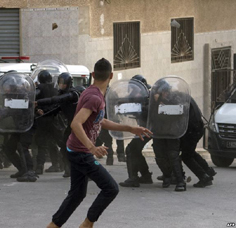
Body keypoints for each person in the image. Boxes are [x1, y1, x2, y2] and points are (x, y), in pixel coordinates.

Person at [47, 58, 151, 228]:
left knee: (77, 194)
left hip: (75, 150)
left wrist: (131, 128)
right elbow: (76, 123)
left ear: (93, 74)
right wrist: (92, 148)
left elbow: (100, 121)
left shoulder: (92, 93)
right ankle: (87, 224)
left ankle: (54, 225)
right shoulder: (94, 97)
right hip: (81, 153)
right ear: (111, 75)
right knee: (110, 188)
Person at [119, 75, 153, 187]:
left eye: (135, 90)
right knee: (135, 150)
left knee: (131, 149)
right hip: (144, 128)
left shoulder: (147, 99)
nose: (133, 92)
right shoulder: (140, 98)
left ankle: (133, 178)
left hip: (148, 128)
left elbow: (146, 112)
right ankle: (146, 175)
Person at [180, 97, 217, 187]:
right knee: (190, 152)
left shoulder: (178, 100)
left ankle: (203, 177)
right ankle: (208, 171)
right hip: (197, 129)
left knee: (186, 156)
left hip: (191, 131)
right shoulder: (185, 97)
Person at [34, 70, 60, 175]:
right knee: (55, 142)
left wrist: (37, 111)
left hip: (42, 119)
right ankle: (59, 165)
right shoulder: (55, 89)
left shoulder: (38, 89)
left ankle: (39, 167)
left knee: (41, 144)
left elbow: (33, 102)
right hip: (54, 119)